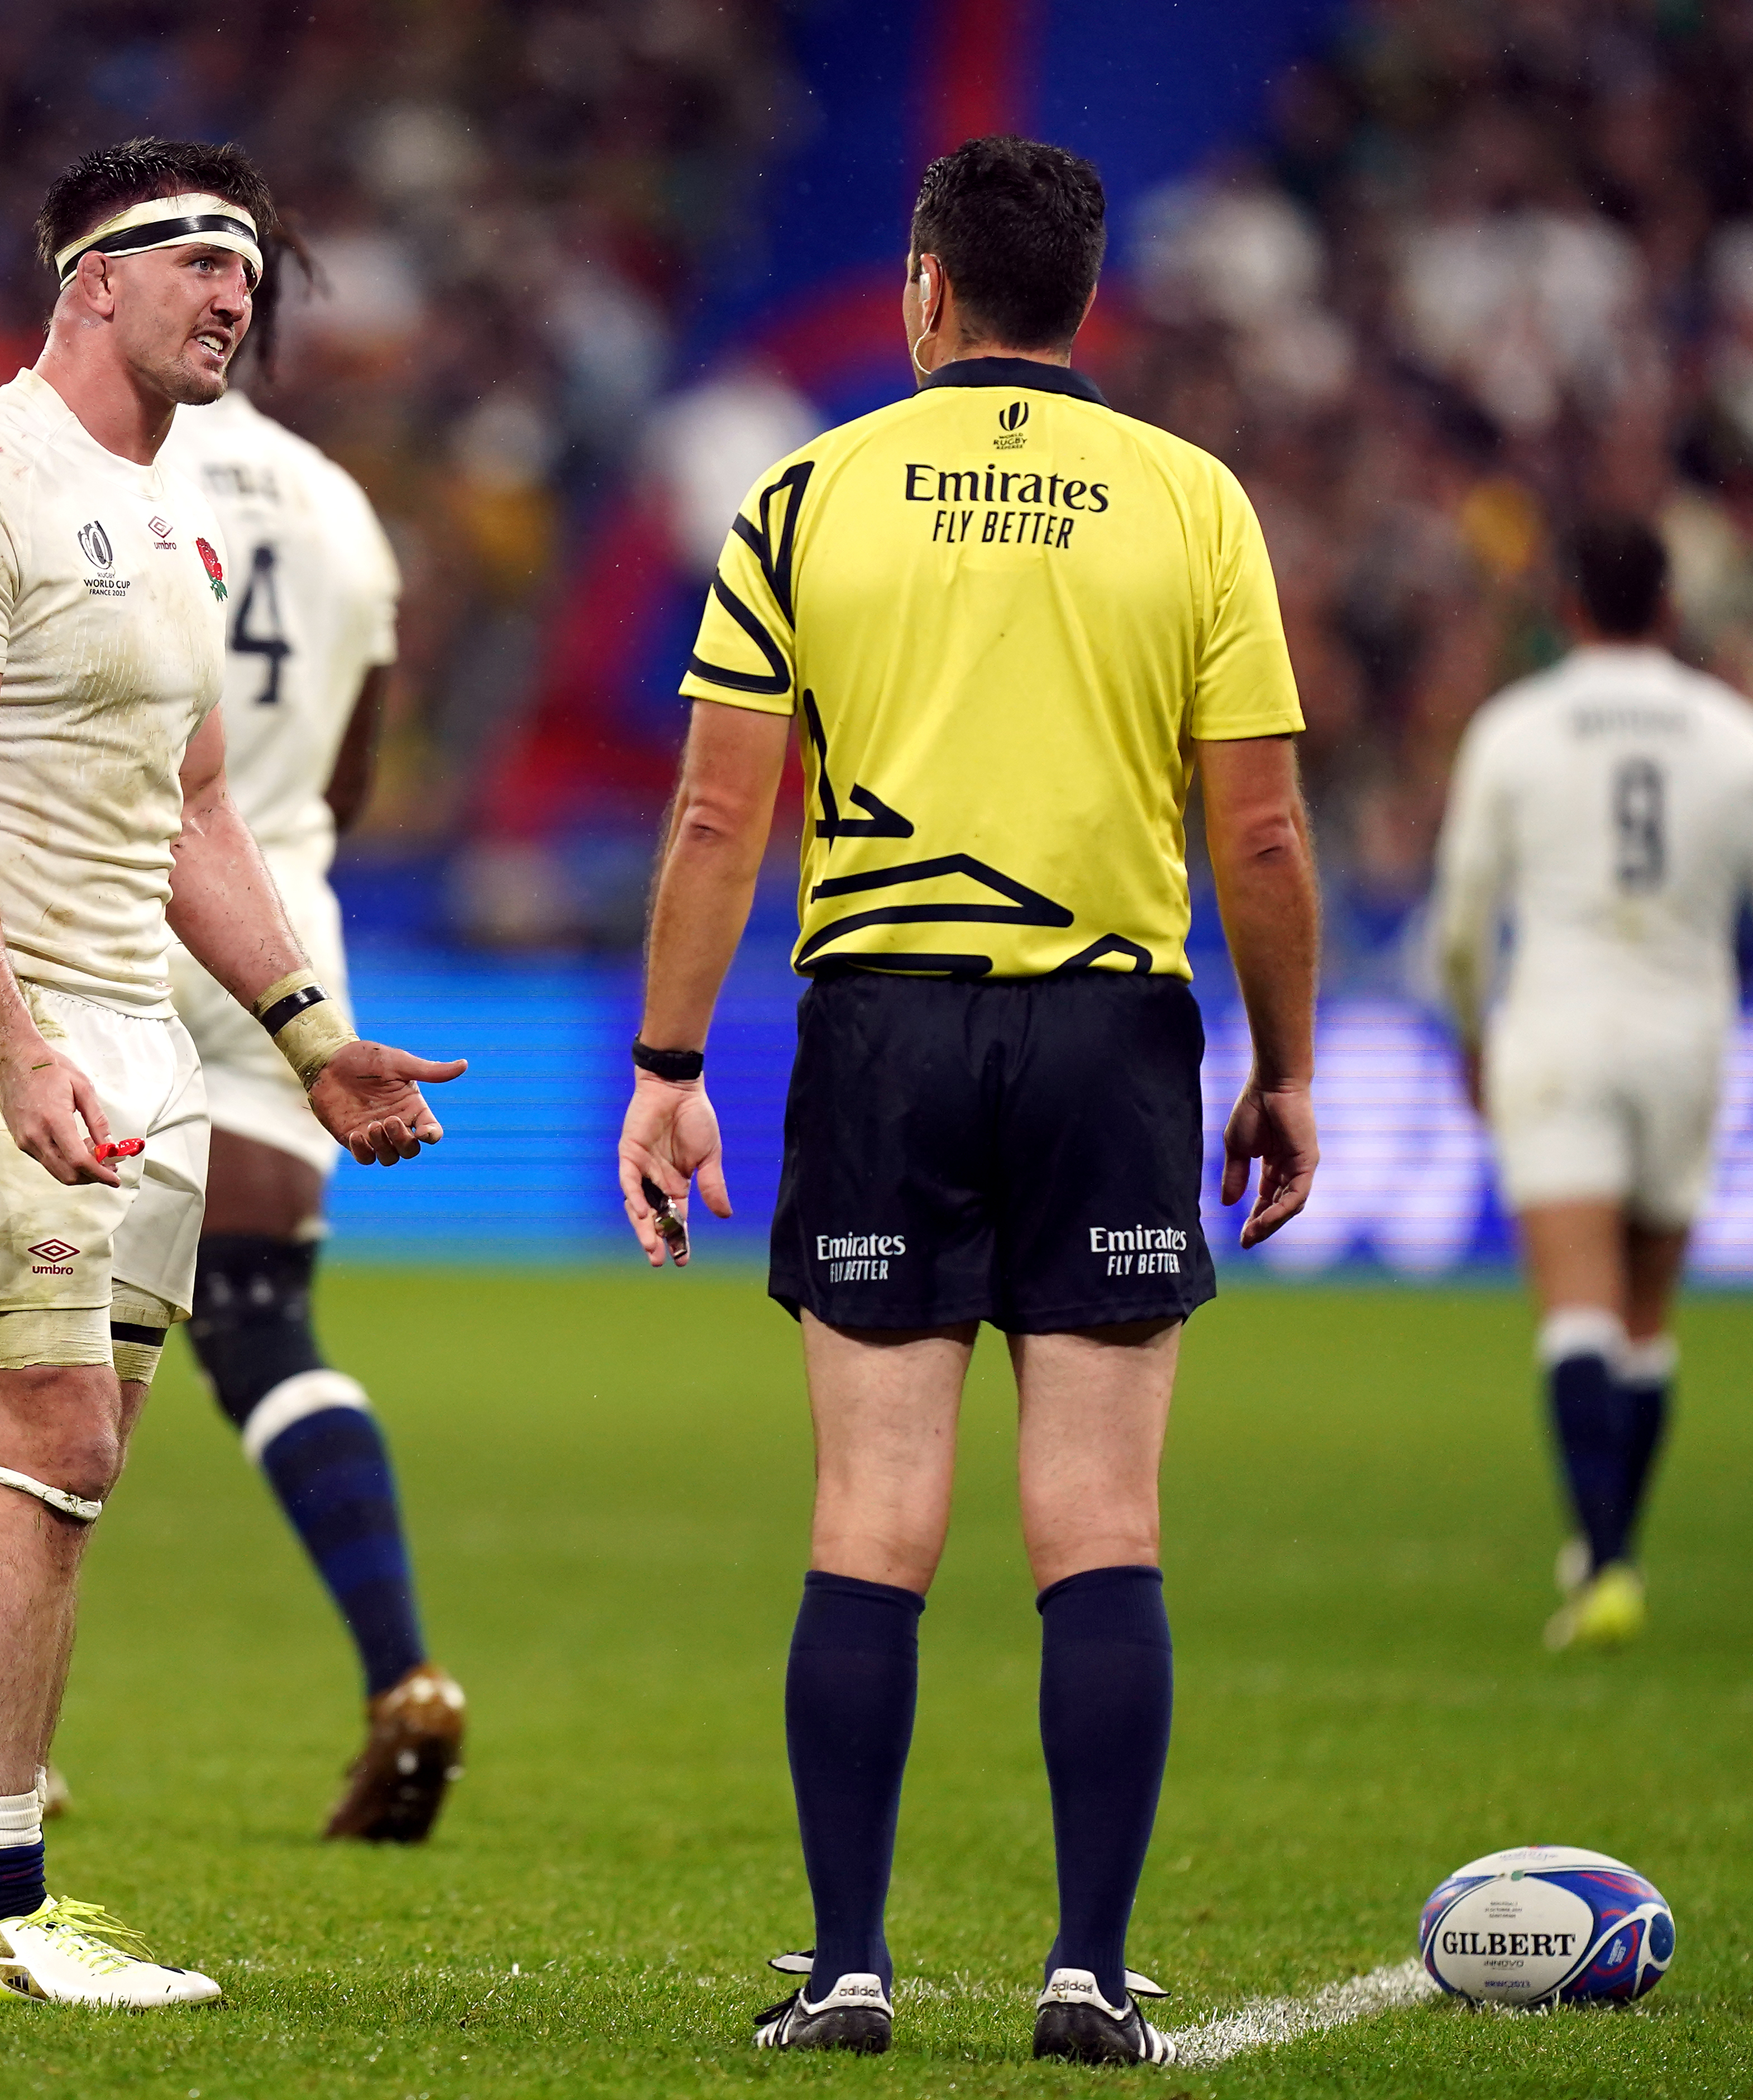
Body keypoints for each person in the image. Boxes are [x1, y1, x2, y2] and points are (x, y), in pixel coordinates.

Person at [615, 138, 1321, 2066]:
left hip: (882, 1028)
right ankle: (1087, 1975)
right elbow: (1255, 824)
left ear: (926, 289)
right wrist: (1288, 1065)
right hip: (1107, 1030)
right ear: (1083, 299)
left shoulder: (804, 490)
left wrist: (670, 1067)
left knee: (871, 1514)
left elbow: (710, 808)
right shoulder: (1190, 501)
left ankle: (847, 1972)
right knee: (1097, 1516)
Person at [0, 138, 463, 2012]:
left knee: (74, 1468)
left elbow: (196, 813)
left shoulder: (176, 520)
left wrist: (306, 1027)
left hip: (133, 1024)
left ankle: (3, 1890)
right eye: (200, 260)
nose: (234, 296)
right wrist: (10, 1041)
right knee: (53, 1444)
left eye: (252, 271)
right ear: (87, 280)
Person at [1431, 516, 1753, 1653]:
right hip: (1687, 1039)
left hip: (1560, 1029)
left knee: (1574, 1313)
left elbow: (1463, 919)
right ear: (1668, 607)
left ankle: (1603, 1560)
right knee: (1646, 1320)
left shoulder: (1514, 731)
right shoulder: (1738, 736)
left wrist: (1470, 1033)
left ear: (1567, 606)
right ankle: (1615, 1551)